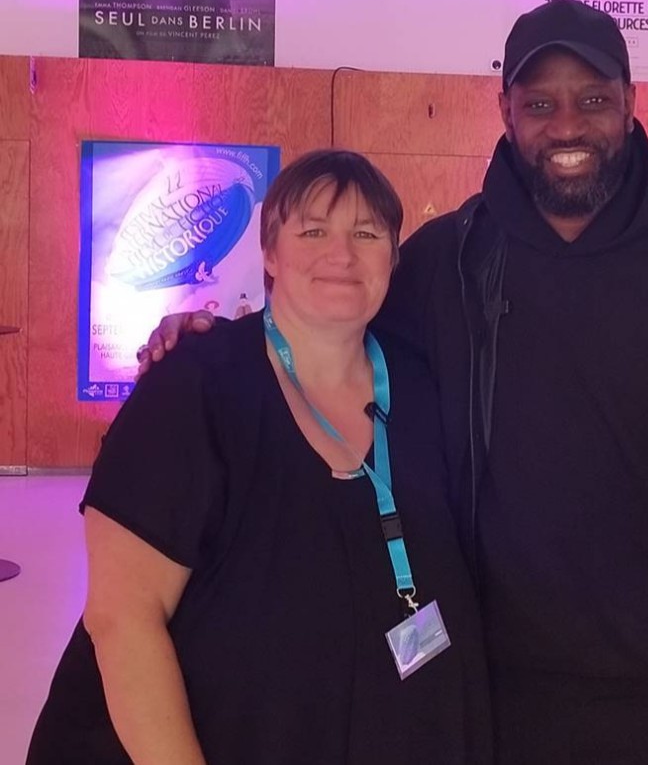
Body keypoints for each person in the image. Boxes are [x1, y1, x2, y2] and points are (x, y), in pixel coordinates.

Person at [138, 0, 648, 765]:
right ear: (505, 111)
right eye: (539, 104)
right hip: (499, 698)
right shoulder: (446, 262)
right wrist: (220, 343)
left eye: (592, 100)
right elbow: (332, 337)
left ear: (630, 103)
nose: (565, 126)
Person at [27, 150, 492, 765]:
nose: (341, 255)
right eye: (313, 232)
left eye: (366, 234)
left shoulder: (422, 385)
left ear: (393, 258)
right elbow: (122, 619)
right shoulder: (194, 384)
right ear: (269, 253)